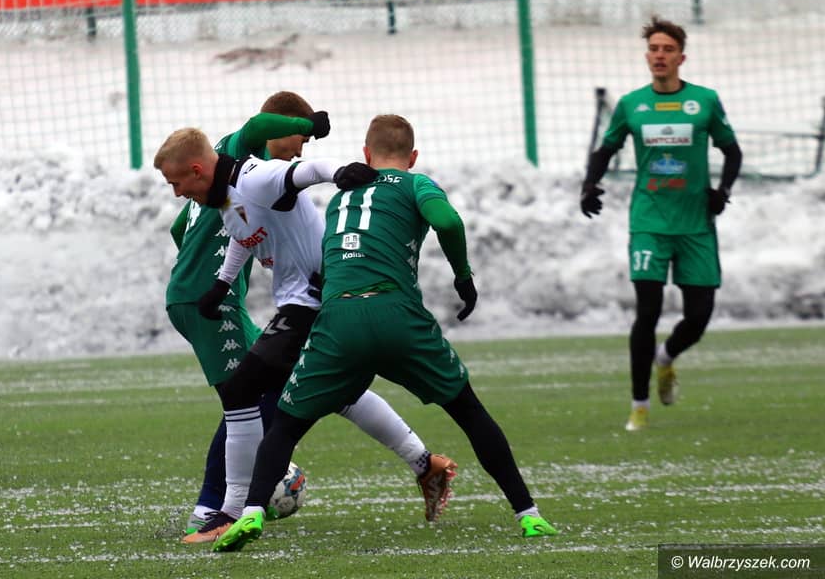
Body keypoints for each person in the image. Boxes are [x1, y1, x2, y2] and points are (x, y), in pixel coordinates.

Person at [213, 115, 557, 552]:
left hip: (337, 318)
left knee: (285, 426)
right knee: (469, 412)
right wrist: (463, 276)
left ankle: (251, 512)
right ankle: (529, 515)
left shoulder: (341, 198)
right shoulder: (416, 185)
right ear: (413, 157)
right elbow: (448, 223)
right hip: (396, 314)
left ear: (365, 153)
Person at [156, 127, 458, 544]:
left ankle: (229, 512)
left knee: (243, 390)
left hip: (314, 300)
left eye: (176, 183)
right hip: (304, 302)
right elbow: (244, 234)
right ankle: (425, 464)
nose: (177, 193)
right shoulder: (225, 196)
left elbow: (306, 171)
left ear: (195, 170)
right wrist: (221, 284)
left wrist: (342, 172)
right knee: (338, 393)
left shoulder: (256, 178)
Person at [167, 91, 331, 536]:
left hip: (197, 294)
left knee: (263, 391)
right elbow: (258, 126)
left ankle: (224, 504)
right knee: (252, 398)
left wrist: (213, 274)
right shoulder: (241, 158)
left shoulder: (227, 183)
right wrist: (312, 124)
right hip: (210, 300)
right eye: (299, 139)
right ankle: (215, 508)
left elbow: (180, 227)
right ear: (281, 128)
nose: (300, 149)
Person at [579, 16, 742, 432]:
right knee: (647, 311)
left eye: (668, 49)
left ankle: (666, 357)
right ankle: (639, 406)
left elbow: (732, 151)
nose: (660, 56)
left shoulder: (704, 101)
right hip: (649, 222)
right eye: (654, 49)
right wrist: (589, 185)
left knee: (699, 316)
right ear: (647, 56)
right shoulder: (632, 105)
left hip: (695, 224)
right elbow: (605, 150)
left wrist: (722, 191)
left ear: (681, 58)